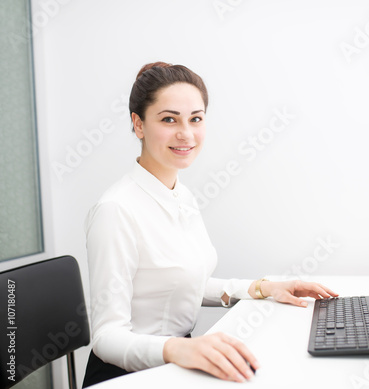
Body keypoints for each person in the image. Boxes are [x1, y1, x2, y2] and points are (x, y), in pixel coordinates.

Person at [82, 61, 337, 387]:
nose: (185, 133)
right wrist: (178, 349)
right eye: (169, 119)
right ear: (139, 124)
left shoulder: (181, 195)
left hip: (174, 362)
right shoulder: (116, 210)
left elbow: (186, 282)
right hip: (128, 375)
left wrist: (264, 288)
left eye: (196, 119)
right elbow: (106, 337)